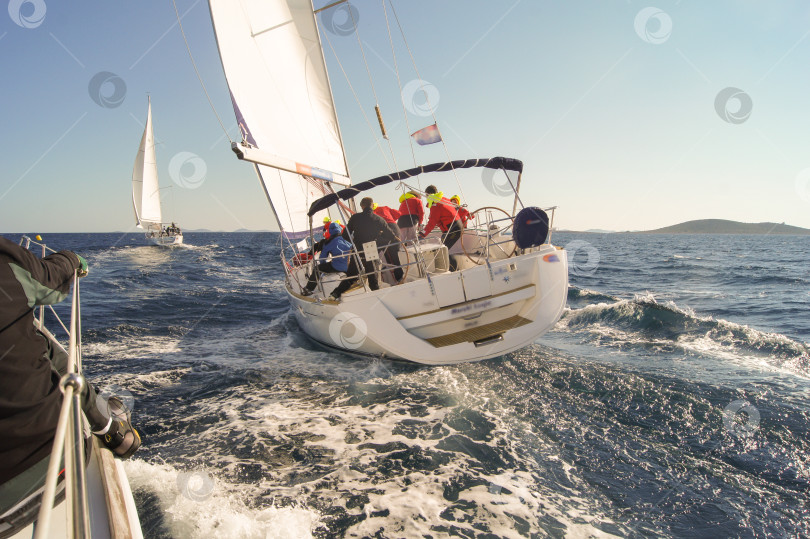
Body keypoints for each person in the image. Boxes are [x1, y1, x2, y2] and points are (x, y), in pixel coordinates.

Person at [0, 238, 140, 492]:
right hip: (47, 465)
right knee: (41, 345)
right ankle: (111, 428)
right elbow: (49, 281)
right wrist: (71, 259)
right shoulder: (6, 261)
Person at [331, 197, 399, 300]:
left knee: (351, 276)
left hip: (358, 249)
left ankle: (335, 294)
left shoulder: (355, 218)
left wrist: (354, 243)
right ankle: (378, 300)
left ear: (362, 206)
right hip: (371, 249)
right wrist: (378, 239)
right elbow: (391, 236)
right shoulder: (379, 219)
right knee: (373, 278)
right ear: (372, 205)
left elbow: (345, 235)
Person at [300, 222, 352, 296]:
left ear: (330, 231)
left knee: (317, 268)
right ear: (340, 229)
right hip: (349, 267)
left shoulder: (329, 243)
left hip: (337, 267)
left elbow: (322, 258)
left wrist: (324, 268)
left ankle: (308, 289)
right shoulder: (348, 240)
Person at [420, 185, 463, 271]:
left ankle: (455, 270)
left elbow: (432, 223)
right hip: (454, 227)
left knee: (443, 250)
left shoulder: (436, 204)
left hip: (453, 229)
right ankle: (452, 269)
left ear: (428, 195)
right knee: (443, 248)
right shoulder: (443, 199)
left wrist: (422, 234)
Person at [372, 203, 404, 283]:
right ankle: (400, 278)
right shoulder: (385, 208)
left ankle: (377, 276)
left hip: (384, 230)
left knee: (382, 253)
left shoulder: (372, 213)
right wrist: (391, 218)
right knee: (395, 253)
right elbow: (398, 213)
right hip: (395, 228)